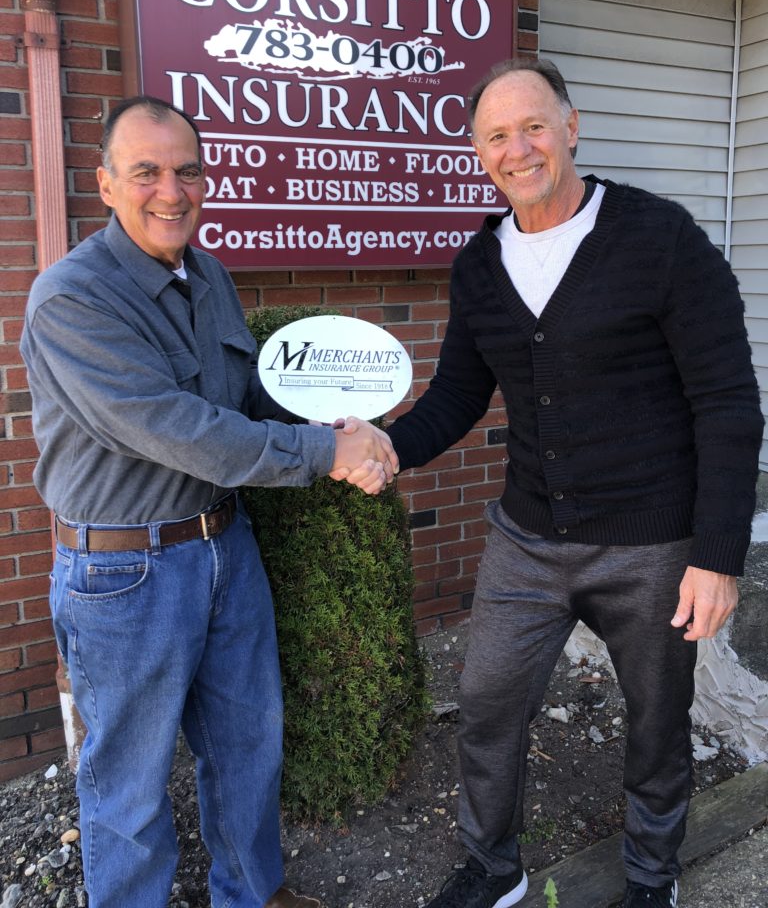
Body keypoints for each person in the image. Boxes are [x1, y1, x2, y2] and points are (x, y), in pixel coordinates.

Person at [385, 58, 763, 908]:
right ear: (478, 151)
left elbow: (729, 401)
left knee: (657, 722)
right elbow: (455, 394)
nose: (517, 148)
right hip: (527, 540)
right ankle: (495, 866)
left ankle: (650, 878)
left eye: (533, 126)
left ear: (571, 126)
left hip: (652, 544)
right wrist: (386, 448)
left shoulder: (660, 239)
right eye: (495, 135)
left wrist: (718, 553)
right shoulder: (480, 264)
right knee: (486, 703)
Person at [20, 95, 399, 908]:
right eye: (147, 171)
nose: (171, 190)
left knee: (246, 747)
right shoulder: (71, 299)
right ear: (106, 185)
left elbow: (242, 400)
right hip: (125, 576)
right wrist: (325, 453)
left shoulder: (210, 275)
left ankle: (253, 894)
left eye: (188, 170)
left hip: (226, 548)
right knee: (128, 782)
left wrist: (339, 416)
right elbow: (174, 426)